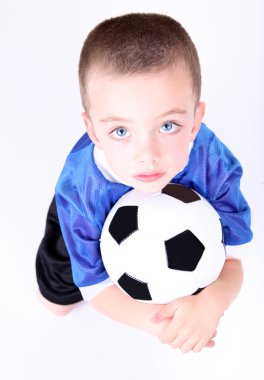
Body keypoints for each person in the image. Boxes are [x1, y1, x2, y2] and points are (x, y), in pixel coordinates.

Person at [36, 13, 252, 353]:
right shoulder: (80, 189)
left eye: (168, 126)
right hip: (85, 215)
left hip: (169, 223)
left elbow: (234, 260)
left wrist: (212, 303)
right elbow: (95, 289)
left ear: (196, 120)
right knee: (56, 306)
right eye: (120, 131)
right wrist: (167, 326)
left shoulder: (213, 164)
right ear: (92, 131)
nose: (146, 155)